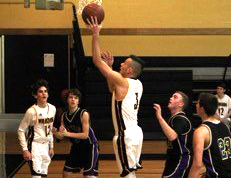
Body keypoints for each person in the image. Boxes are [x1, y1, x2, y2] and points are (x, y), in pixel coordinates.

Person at [88, 16, 145, 178]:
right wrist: (111, 68)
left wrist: (95, 34)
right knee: (131, 173)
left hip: (125, 136)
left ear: (129, 71)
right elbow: (112, 89)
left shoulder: (123, 82)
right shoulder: (137, 84)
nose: (121, 64)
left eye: (124, 64)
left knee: (127, 175)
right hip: (136, 133)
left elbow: (96, 61)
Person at [188, 92, 231, 178]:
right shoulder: (225, 126)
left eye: (197, 103)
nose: (196, 105)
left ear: (202, 108)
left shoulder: (201, 131)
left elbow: (197, 165)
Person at [53, 88, 99, 177]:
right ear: (67, 100)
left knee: (89, 176)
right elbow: (61, 136)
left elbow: (85, 135)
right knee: (66, 173)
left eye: (76, 98)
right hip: (77, 147)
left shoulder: (84, 114)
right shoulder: (64, 116)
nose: (73, 100)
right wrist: (55, 133)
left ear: (78, 101)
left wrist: (67, 134)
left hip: (89, 147)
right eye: (71, 97)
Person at [18, 79, 57, 177]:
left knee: (43, 176)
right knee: (36, 176)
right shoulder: (31, 111)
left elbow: (50, 129)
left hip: (46, 146)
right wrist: (25, 149)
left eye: (45, 91)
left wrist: (51, 146)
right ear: (35, 95)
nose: (44, 94)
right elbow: (21, 130)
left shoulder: (53, 108)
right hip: (35, 146)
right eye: (40, 91)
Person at [153, 91, 193, 178]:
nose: (171, 98)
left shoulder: (181, 119)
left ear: (181, 104)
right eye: (171, 96)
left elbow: (172, 136)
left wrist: (159, 117)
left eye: (175, 97)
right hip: (173, 159)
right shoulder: (174, 118)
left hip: (181, 160)